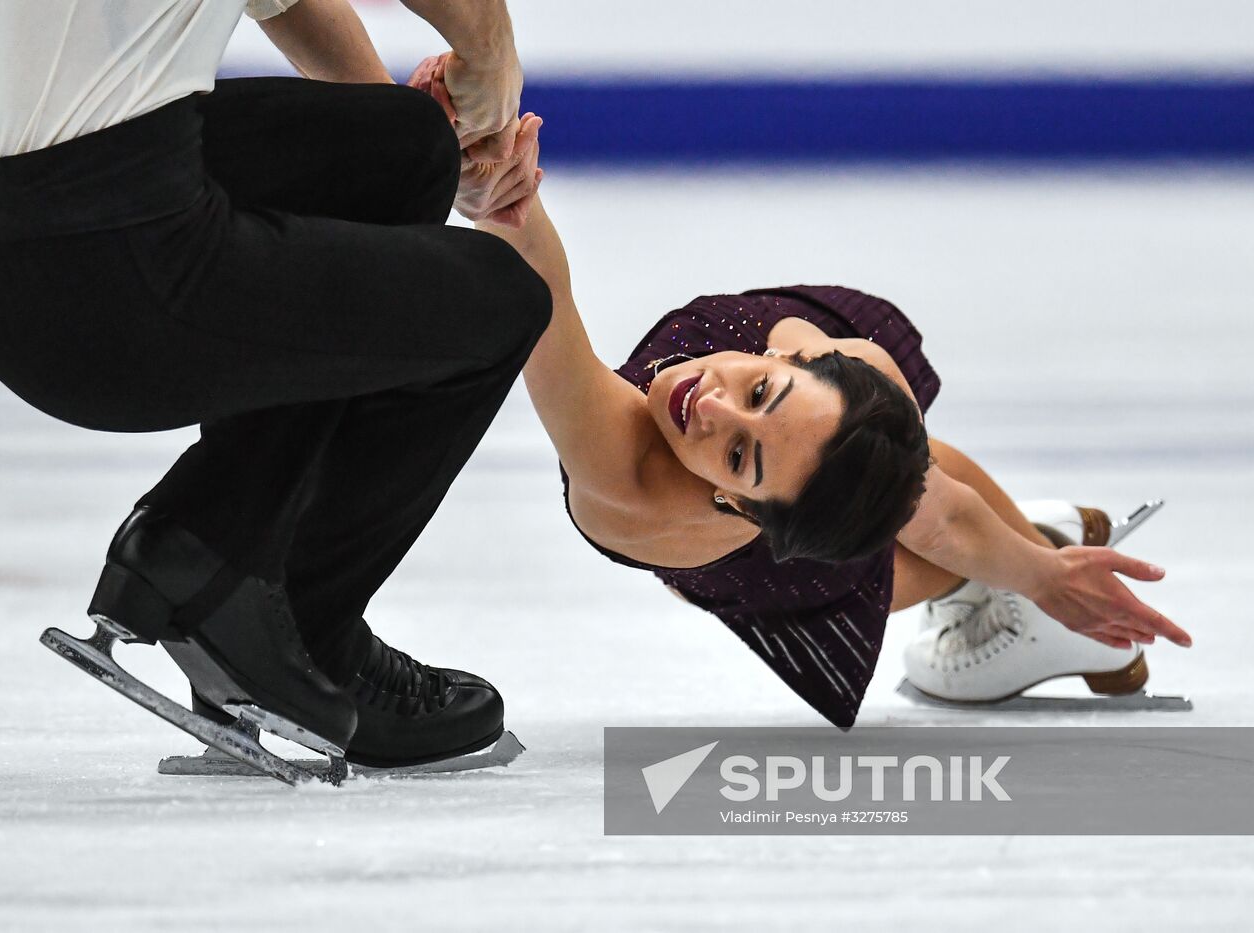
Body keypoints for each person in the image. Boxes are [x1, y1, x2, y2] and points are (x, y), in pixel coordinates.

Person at [0, 0, 549, 782]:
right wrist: (490, 47)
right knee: (503, 304)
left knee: (400, 147)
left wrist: (444, 148)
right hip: (99, 279)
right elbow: (474, 28)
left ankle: (224, 559)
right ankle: (276, 612)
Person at [407, 95, 1191, 727]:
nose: (712, 405)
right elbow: (930, 499)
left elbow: (536, 280)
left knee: (877, 545)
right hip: (797, 433)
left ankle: (1010, 586)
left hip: (747, 521)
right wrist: (496, 168)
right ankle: (1032, 542)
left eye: (739, 454)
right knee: (881, 465)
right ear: (793, 359)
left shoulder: (632, 477)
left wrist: (1043, 578)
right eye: (758, 391)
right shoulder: (848, 370)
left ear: (743, 505)